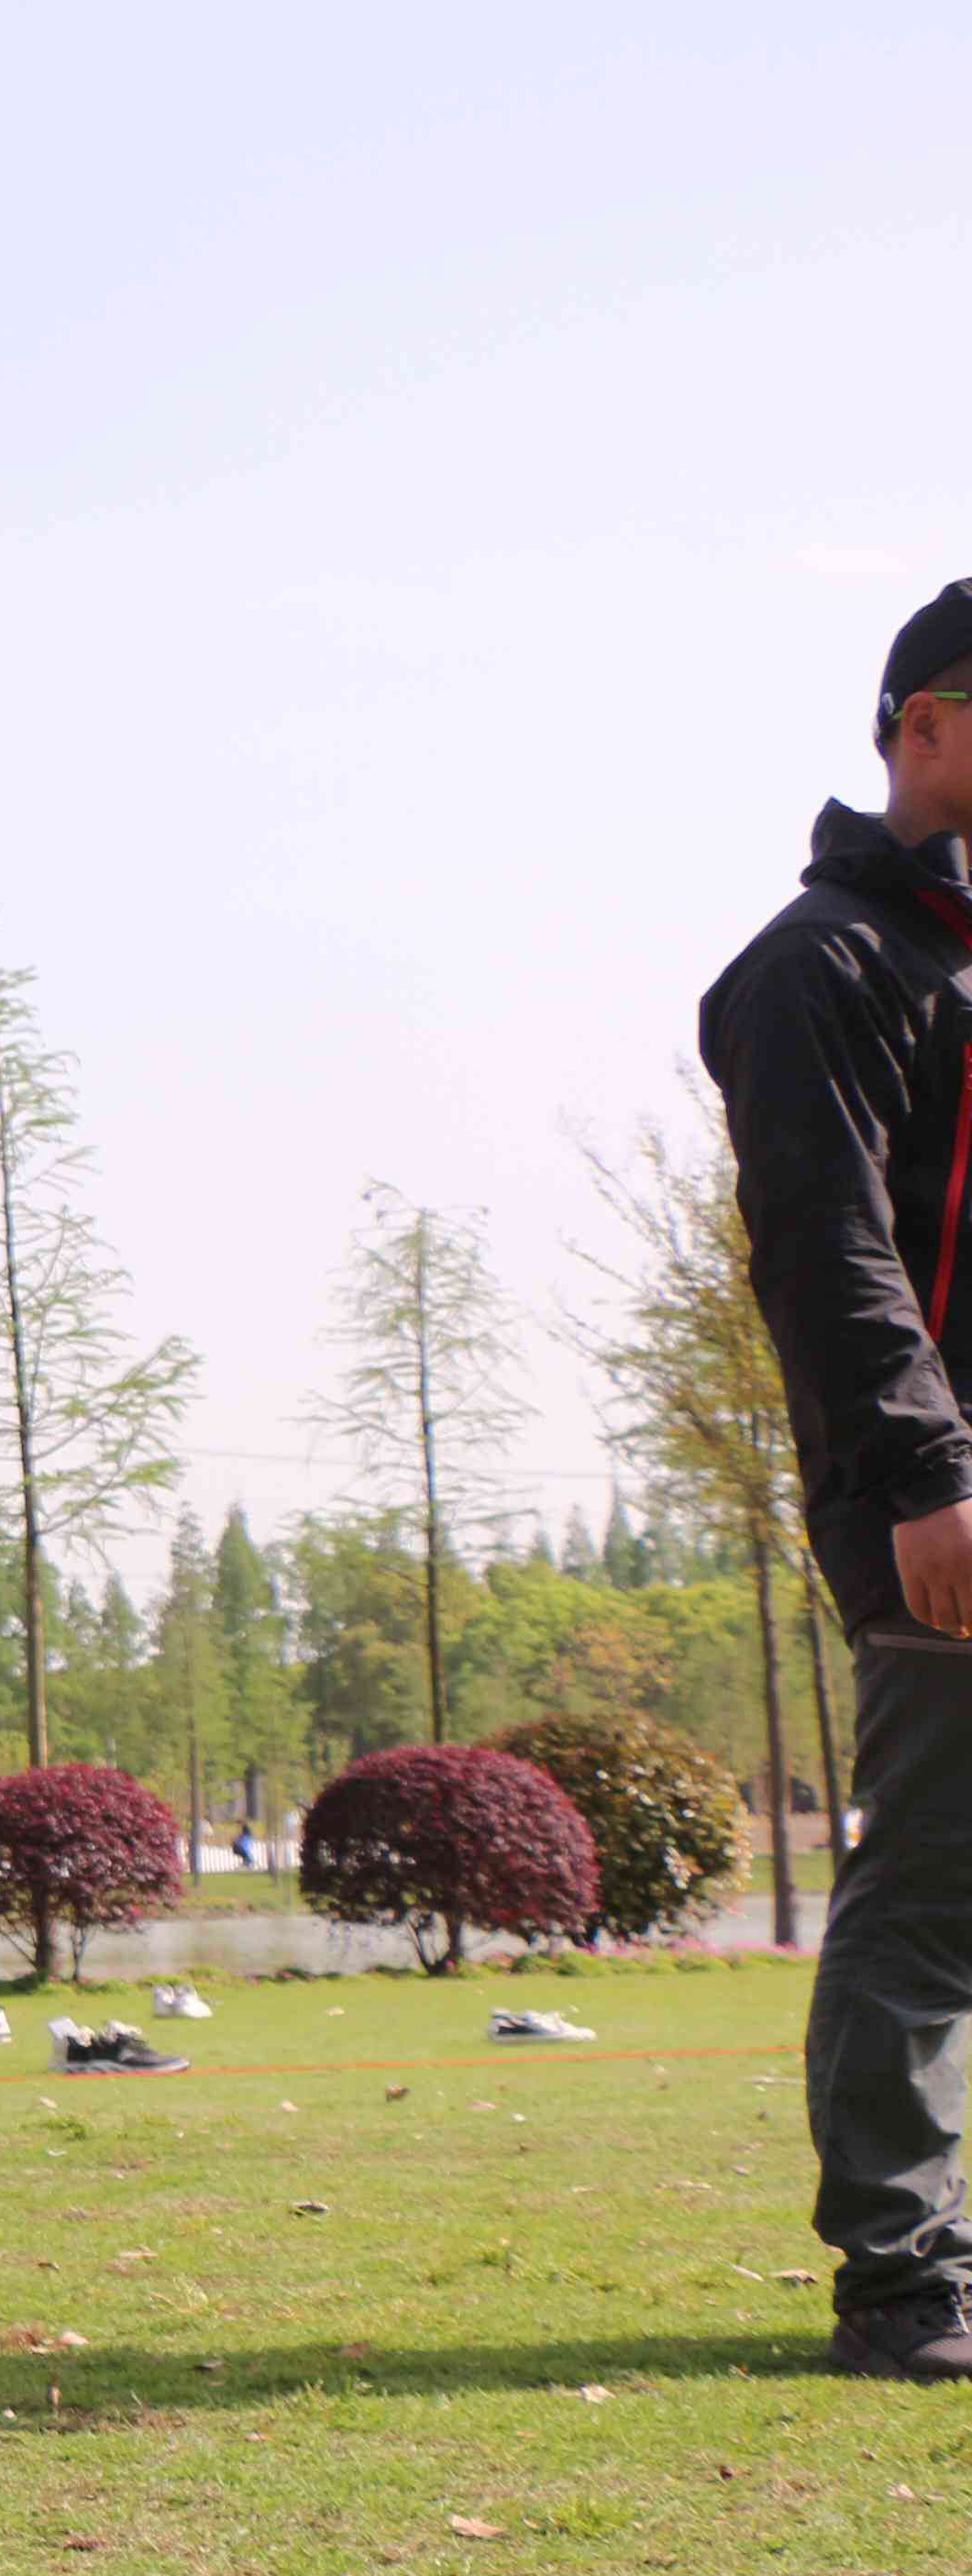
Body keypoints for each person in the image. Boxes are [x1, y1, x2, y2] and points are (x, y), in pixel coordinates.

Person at [703, 576, 972, 2384]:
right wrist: (928, 1472)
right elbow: (828, 1246)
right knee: (940, 1880)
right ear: (924, 725)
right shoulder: (825, 966)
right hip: (943, 1501)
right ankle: (904, 2283)